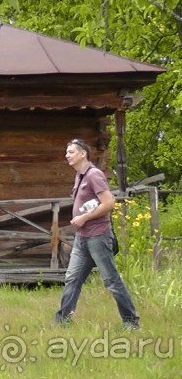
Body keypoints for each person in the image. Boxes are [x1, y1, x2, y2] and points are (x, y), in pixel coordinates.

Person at [53, 139, 140, 330]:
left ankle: (131, 321)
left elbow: (109, 203)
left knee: (111, 280)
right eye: (66, 152)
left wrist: (84, 218)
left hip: (98, 237)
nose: (67, 155)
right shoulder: (79, 176)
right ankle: (63, 320)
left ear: (83, 153)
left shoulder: (94, 175)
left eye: (71, 152)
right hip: (82, 238)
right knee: (72, 278)